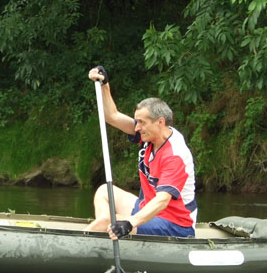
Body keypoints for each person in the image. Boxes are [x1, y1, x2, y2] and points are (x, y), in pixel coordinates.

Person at [84, 65, 197, 239]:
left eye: (141, 123)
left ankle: (95, 234)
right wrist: (104, 85)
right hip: (147, 207)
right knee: (104, 191)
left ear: (160, 122)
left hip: (174, 223)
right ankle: (104, 227)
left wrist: (129, 223)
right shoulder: (150, 135)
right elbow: (112, 116)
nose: (137, 128)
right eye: (136, 122)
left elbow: (162, 201)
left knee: (111, 223)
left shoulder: (175, 155)